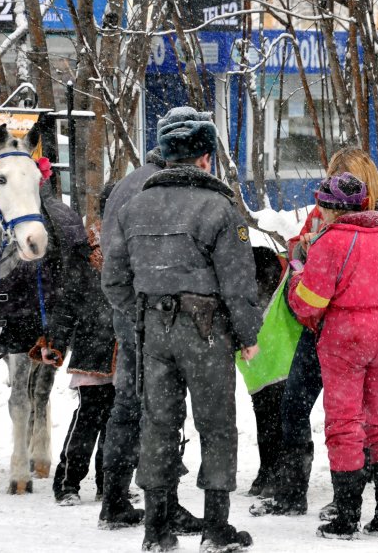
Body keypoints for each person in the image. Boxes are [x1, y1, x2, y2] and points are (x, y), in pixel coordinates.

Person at [102, 106, 262, 553]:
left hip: (152, 332)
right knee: (216, 424)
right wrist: (248, 335)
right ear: (206, 158)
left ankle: (157, 530)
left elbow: (113, 279)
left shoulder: (133, 207)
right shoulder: (221, 208)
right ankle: (215, 528)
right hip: (206, 329)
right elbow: (239, 281)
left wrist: (143, 315)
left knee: (157, 424)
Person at [250, 146, 378, 519]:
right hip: (342, 330)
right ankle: (297, 492)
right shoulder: (330, 211)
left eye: (339, 176)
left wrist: (309, 266)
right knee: (297, 406)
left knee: (353, 419)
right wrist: (305, 246)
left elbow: (316, 289)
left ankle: (348, 498)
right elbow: (299, 245)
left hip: (339, 328)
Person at [287, 172, 378, 539]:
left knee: (344, 424)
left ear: (330, 208)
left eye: (322, 206)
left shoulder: (330, 243)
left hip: (345, 337)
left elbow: (309, 304)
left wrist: (298, 276)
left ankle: (346, 517)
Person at [98, 146, 204, 534]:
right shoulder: (165, 191)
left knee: (127, 402)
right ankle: (166, 503)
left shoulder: (126, 185)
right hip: (159, 313)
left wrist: (129, 305)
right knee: (164, 407)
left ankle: (113, 499)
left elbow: (113, 257)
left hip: (128, 309)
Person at [51, 185, 117, 505]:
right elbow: (69, 302)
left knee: (116, 419)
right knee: (90, 416)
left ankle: (110, 483)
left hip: (124, 351)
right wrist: (57, 342)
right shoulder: (85, 250)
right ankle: (68, 482)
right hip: (93, 348)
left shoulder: (135, 249)